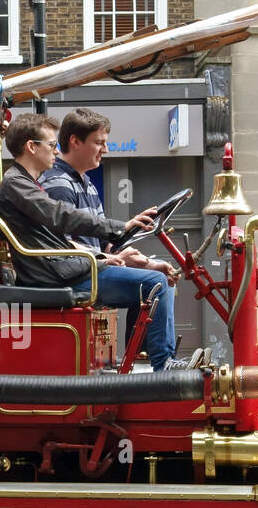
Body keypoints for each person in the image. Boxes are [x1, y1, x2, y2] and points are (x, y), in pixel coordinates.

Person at [0, 112, 189, 371]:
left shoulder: (24, 183)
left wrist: (107, 256)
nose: (55, 150)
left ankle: (136, 364)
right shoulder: (17, 183)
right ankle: (163, 366)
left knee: (153, 281)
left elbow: (60, 235)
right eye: (51, 145)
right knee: (156, 284)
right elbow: (61, 217)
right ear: (31, 147)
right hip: (57, 275)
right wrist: (118, 231)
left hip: (59, 269)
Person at [40, 108, 180, 352]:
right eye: (99, 142)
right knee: (154, 284)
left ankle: (139, 359)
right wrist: (110, 258)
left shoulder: (87, 184)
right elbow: (59, 246)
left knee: (158, 279)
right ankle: (162, 364)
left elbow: (102, 243)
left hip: (90, 271)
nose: (105, 149)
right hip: (73, 277)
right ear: (75, 141)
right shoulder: (58, 185)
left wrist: (145, 263)